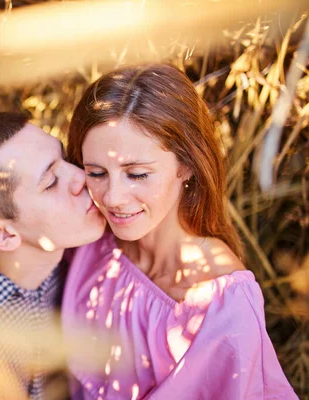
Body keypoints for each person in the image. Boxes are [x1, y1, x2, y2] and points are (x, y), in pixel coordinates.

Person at [62, 64, 297, 399]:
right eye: (96, 172)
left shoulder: (223, 305)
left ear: (186, 164)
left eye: (138, 174)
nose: (112, 198)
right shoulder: (91, 240)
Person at [0, 112, 107, 399]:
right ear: (3, 234)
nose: (80, 176)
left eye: (64, 157)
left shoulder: (88, 257)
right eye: (50, 182)